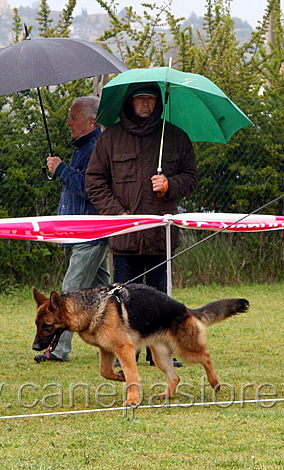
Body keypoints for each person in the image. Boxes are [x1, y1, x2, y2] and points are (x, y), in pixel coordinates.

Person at [86, 83, 199, 367]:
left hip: (161, 235)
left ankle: (161, 352)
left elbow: (191, 178)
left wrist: (170, 184)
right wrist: (117, 213)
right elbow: (94, 180)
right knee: (123, 300)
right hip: (125, 237)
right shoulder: (110, 138)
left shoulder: (175, 137)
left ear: (158, 102)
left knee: (162, 301)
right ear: (130, 103)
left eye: (150, 99)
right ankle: (127, 352)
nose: (146, 104)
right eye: (140, 99)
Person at [34, 96, 111, 363]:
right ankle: (119, 341)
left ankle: (58, 350)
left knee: (69, 291)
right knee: (107, 293)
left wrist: (62, 169)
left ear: (92, 121)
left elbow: (92, 189)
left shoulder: (97, 148)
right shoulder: (82, 148)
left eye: (74, 117)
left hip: (91, 232)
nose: (69, 122)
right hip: (80, 232)